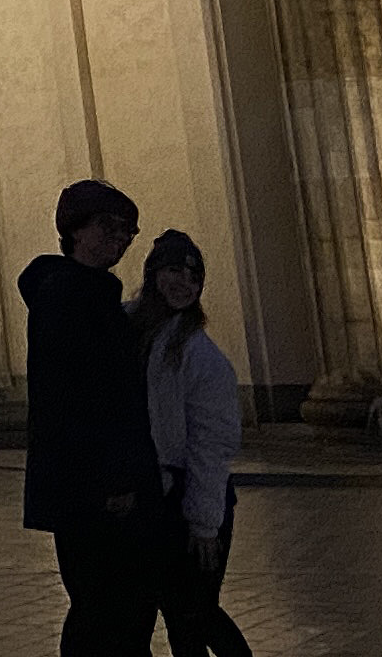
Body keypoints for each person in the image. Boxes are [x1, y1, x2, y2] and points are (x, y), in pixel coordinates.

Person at [20, 176, 152, 657]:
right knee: (107, 608)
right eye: (110, 228)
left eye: (128, 233)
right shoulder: (71, 299)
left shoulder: (83, 294)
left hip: (80, 483)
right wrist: (114, 480)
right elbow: (85, 401)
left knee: (106, 607)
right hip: (91, 487)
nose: (118, 240)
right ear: (76, 230)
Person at [136, 231, 251, 657]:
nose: (183, 282)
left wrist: (204, 525)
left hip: (195, 500)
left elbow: (211, 445)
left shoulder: (203, 357)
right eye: (173, 271)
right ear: (152, 275)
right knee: (178, 608)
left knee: (194, 612)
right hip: (157, 497)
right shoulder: (134, 330)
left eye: (193, 275)